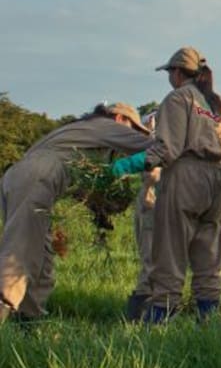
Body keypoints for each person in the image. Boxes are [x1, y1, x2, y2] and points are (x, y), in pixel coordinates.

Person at [113, 47, 221, 323]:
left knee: (169, 250)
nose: (170, 77)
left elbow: (167, 149)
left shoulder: (178, 98)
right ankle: (210, 323)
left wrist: (130, 164)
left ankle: (160, 319)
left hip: (186, 176)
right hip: (218, 181)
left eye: (170, 72)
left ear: (178, 72)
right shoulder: (219, 105)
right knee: (209, 255)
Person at [1, 102, 151, 323]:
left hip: (19, 176)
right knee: (20, 251)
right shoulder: (109, 126)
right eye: (134, 128)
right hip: (38, 176)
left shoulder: (80, 129)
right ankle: (4, 304)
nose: (133, 133)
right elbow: (158, 148)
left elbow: (78, 180)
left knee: (42, 255)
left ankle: (29, 320)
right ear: (120, 118)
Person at [125, 109, 160, 321]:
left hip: (151, 202)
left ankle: (144, 311)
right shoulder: (155, 145)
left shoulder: (159, 145)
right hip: (149, 203)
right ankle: (142, 313)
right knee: (151, 258)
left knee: (151, 258)